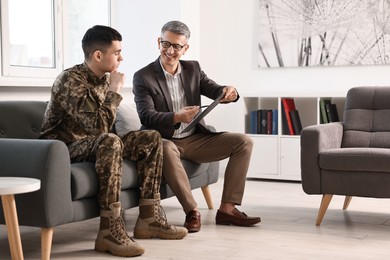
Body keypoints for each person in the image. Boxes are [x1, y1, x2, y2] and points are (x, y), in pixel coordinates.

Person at [40, 25, 187, 258]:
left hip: (93, 143)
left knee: (151, 138)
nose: (122, 57)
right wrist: (115, 91)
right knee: (110, 141)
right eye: (117, 52)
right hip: (61, 148)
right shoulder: (70, 80)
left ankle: (150, 219)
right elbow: (98, 128)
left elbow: (102, 129)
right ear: (99, 55)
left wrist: (110, 91)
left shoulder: (102, 79)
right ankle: (109, 232)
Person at [132, 20, 261, 233]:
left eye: (177, 46)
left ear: (185, 48)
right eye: (166, 44)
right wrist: (176, 116)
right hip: (165, 140)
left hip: (195, 138)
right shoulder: (143, 76)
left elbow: (215, 90)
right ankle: (192, 211)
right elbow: (147, 116)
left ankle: (228, 209)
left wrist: (230, 91)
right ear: (158, 42)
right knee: (164, 147)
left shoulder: (193, 69)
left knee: (244, 142)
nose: (170, 51)